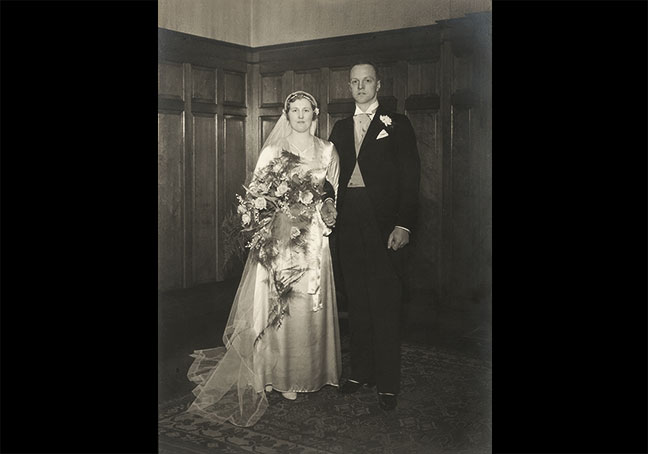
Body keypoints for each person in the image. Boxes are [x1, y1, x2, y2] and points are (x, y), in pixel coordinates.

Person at [186, 91, 341, 427]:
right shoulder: (273, 150)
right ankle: (278, 376)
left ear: (315, 114)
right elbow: (258, 193)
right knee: (281, 305)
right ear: (286, 114)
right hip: (281, 241)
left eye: (306, 110)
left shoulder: (327, 150)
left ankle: (312, 371)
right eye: (294, 110)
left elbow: (333, 193)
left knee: (308, 304)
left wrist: (324, 212)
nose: (300, 116)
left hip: (313, 239)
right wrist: (278, 214)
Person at [328, 62, 420, 411]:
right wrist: (325, 203)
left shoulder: (397, 125)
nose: (361, 86)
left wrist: (404, 224)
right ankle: (360, 372)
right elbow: (329, 177)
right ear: (349, 87)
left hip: (384, 225)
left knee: (384, 301)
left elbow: (411, 179)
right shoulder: (338, 128)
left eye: (367, 81)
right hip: (348, 222)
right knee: (357, 299)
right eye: (355, 82)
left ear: (378, 85)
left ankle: (387, 383)